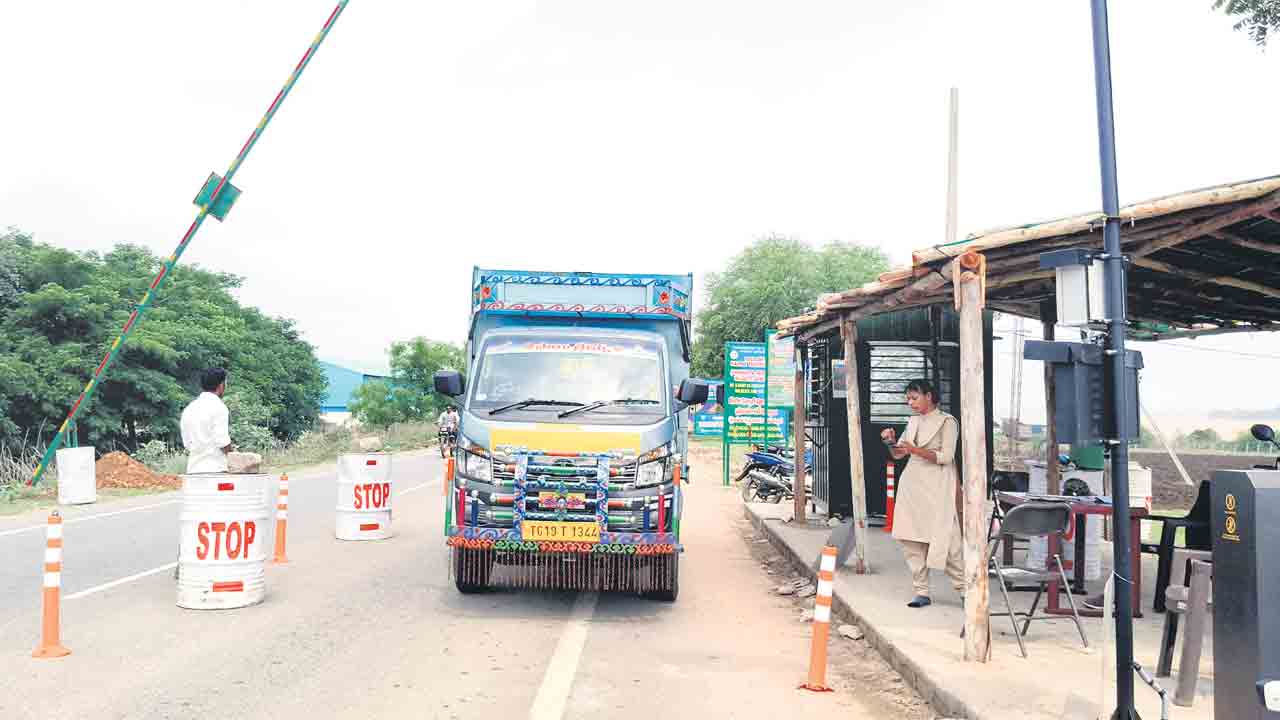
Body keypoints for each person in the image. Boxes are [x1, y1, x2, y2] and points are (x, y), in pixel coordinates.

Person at [880, 379, 964, 608]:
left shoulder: (948, 422)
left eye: (914, 397)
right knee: (911, 538)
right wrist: (890, 442)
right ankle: (921, 591)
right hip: (913, 483)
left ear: (929, 396)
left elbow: (946, 457)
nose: (910, 403)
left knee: (947, 538)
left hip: (938, 484)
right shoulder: (913, 421)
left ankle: (965, 589)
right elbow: (899, 455)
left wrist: (915, 450)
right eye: (908, 398)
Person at [180, 368, 233, 474]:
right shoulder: (219, 407)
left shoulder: (189, 408)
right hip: (216, 469)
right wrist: (233, 457)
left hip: (193, 469)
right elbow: (222, 441)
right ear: (221, 385)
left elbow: (187, 443)